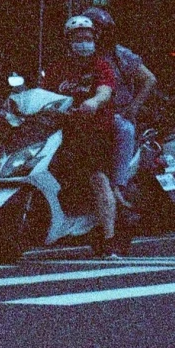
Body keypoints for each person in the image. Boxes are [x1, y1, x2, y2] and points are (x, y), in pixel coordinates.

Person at [52, 14, 121, 256]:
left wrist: (93, 102)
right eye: (77, 38)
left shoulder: (101, 66)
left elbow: (105, 92)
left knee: (97, 178)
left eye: (87, 38)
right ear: (68, 41)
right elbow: (44, 94)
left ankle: (109, 238)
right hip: (62, 129)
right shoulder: (58, 68)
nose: (83, 43)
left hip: (94, 130)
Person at [89, 7, 156, 193]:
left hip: (116, 114)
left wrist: (133, 108)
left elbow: (149, 79)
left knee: (125, 129)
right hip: (85, 115)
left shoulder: (120, 55)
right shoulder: (78, 57)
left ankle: (119, 185)